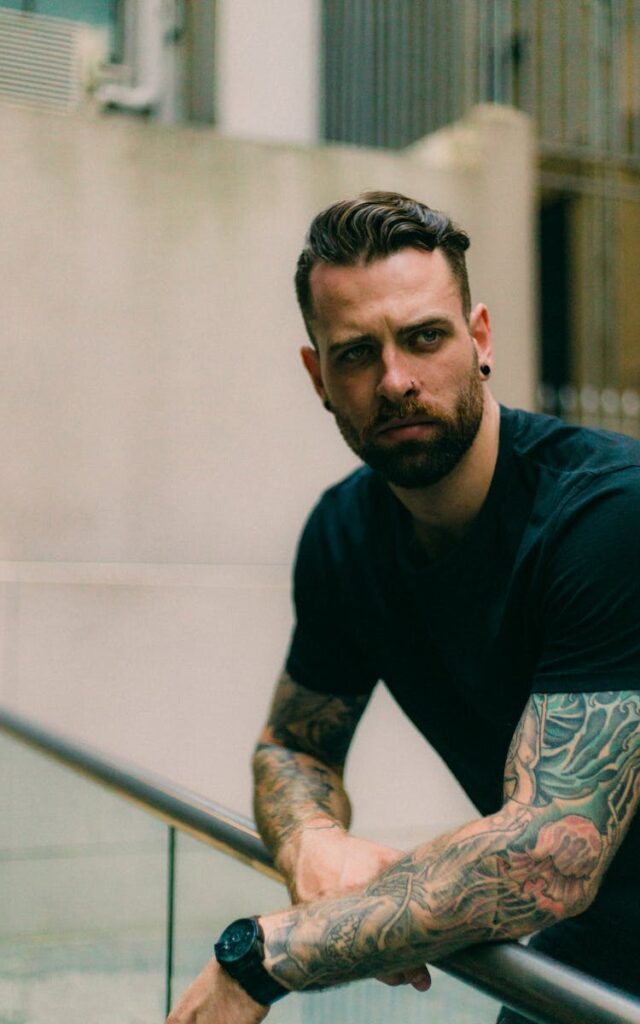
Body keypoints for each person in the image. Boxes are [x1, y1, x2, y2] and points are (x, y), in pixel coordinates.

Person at [167, 191, 640, 1024]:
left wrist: (273, 955)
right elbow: (295, 743)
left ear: (480, 339)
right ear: (318, 376)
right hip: (599, 947)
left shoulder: (606, 515)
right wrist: (311, 839)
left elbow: (551, 851)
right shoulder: (344, 536)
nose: (395, 381)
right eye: (356, 353)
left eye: (424, 337)